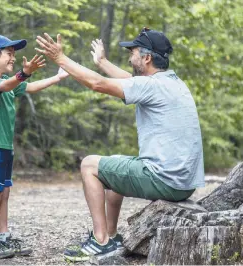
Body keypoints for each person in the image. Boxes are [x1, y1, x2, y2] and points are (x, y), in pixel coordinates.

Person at [35, 28, 205, 262]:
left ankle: (100, 240)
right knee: (114, 163)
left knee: (89, 165)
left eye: (133, 52)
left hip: (165, 180)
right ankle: (112, 237)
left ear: (146, 57)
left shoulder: (151, 86)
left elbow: (97, 84)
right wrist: (102, 61)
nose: (129, 56)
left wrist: (60, 59)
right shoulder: (172, 83)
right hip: (183, 183)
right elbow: (129, 81)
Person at [0, 34, 69, 259]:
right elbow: (8, 83)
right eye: (9, 53)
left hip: (5, 147)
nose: (13, 58)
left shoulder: (11, 84)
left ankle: (4, 237)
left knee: (5, 192)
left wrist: (57, 78)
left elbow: (31, 86)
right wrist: (24, 72)